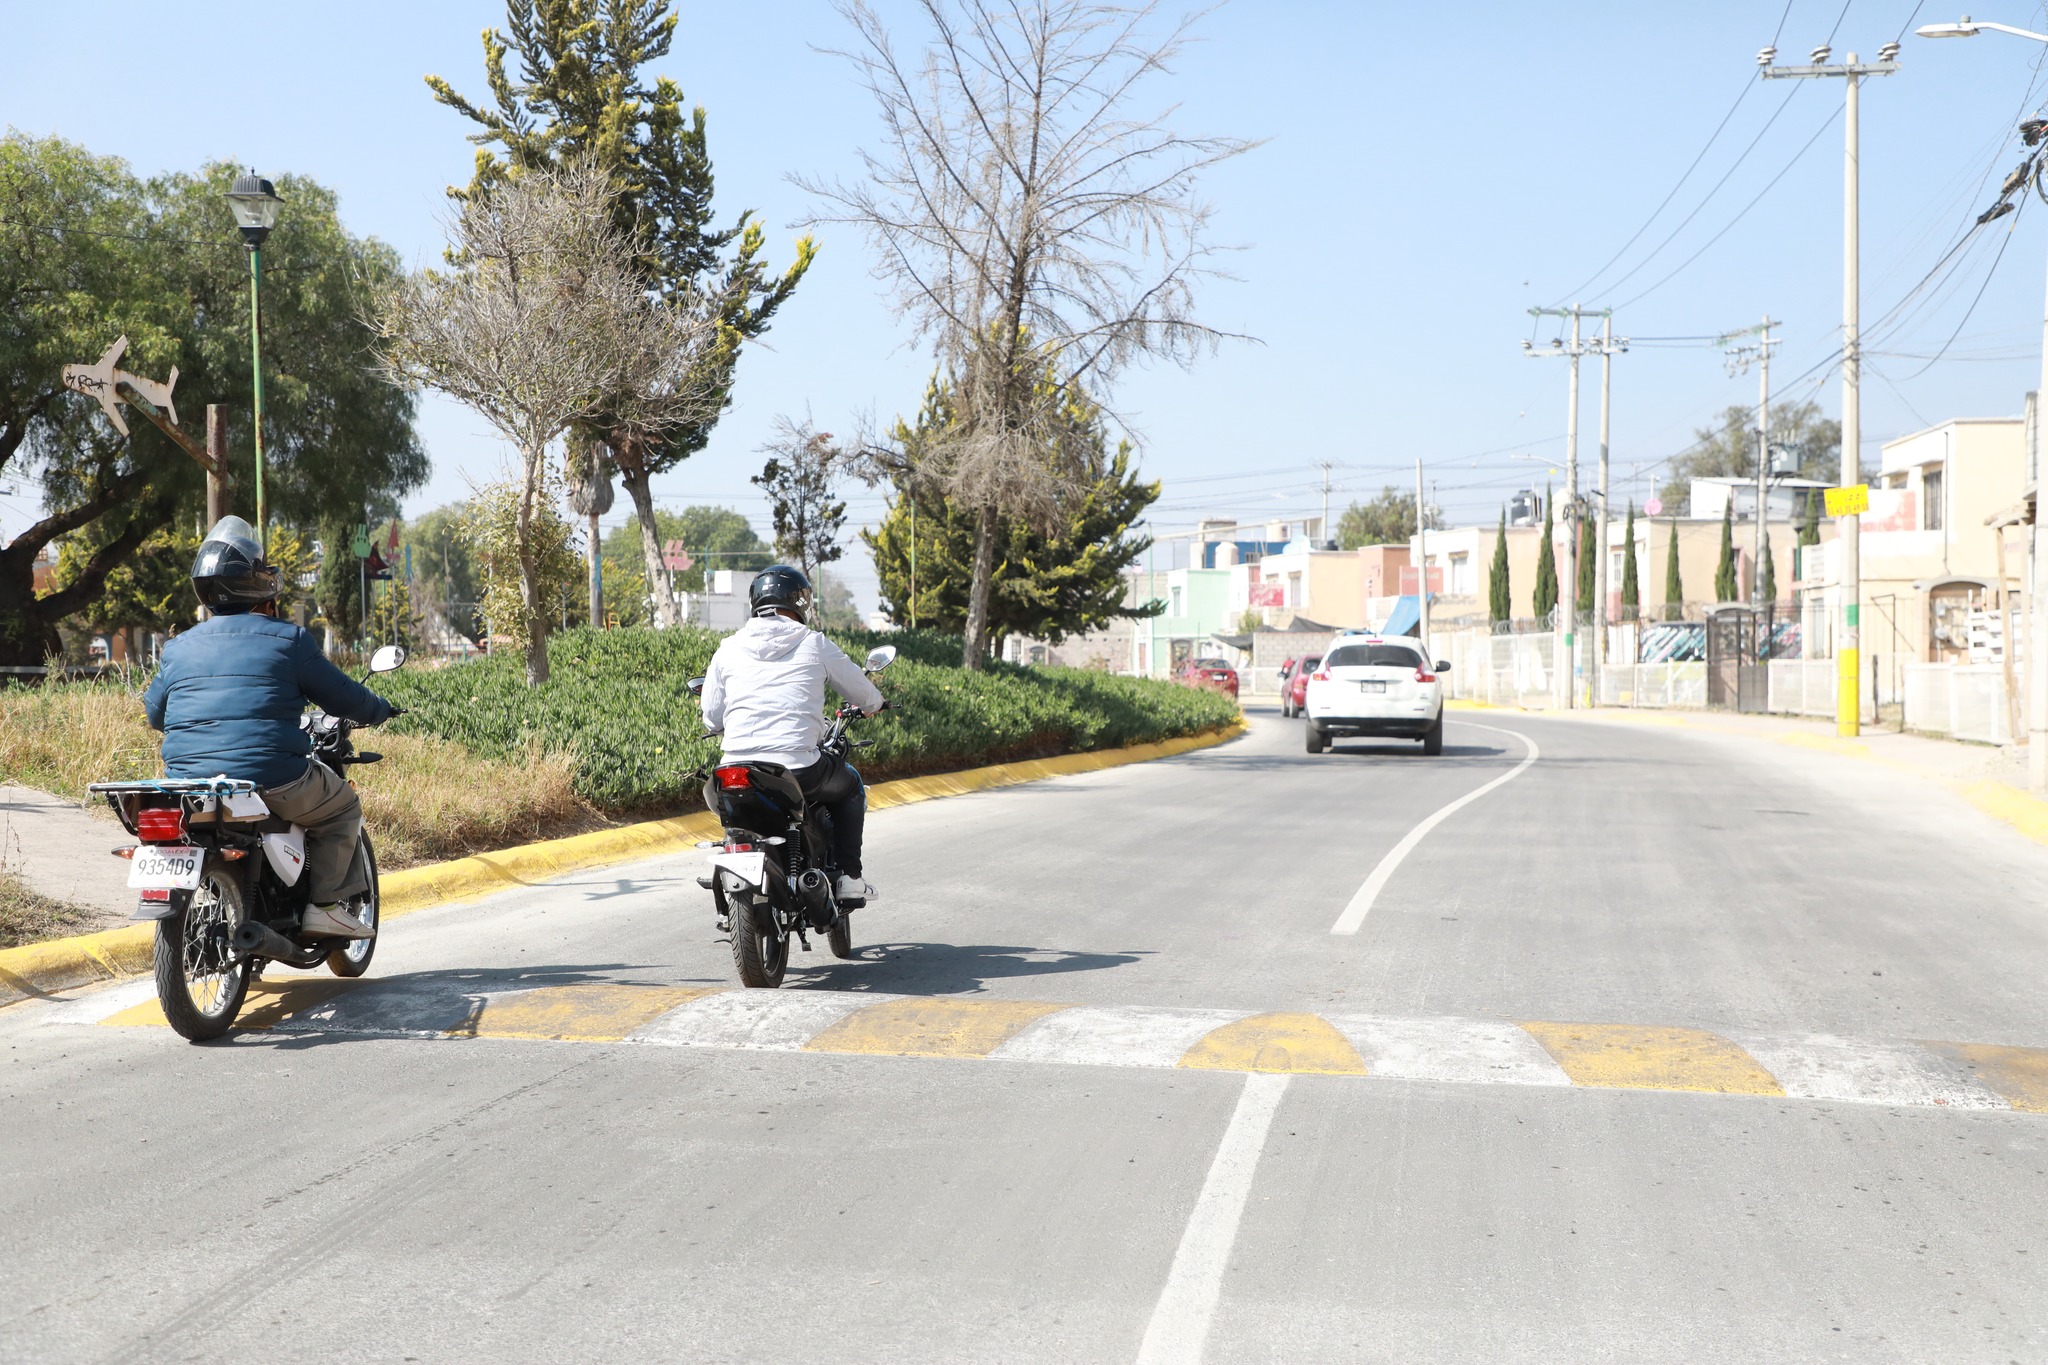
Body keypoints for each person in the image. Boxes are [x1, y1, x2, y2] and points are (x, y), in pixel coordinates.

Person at [142, 516, 398, 938]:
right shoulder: (289, 640)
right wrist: (380, 709)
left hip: (189, 784)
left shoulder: (178, 646)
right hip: (272, 777)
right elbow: (345, 696)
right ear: (256, 584)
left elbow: (155, 716)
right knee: (342, 808)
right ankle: (325, 906)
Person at [699, 564, 884, 900]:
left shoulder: (727, 647)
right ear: (800, 603)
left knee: (732, 812)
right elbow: (864, 693)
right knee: (852, 784)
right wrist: (875, 704)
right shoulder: (815, 643)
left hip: (733, 771)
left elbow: (711, 718)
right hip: (799, 769)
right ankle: (850, 878)